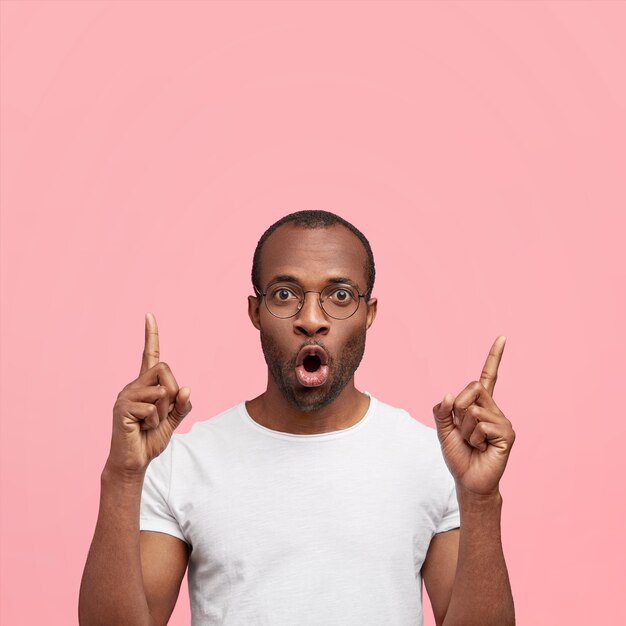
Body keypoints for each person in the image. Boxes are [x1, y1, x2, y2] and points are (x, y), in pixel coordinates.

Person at [79, 210, 515, 626]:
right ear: (255, 312)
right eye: (285, 294)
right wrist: (122, 476)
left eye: (340, 296)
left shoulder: (430, 459)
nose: (311, 319)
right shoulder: (184, 462)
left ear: (369, 314)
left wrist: (480, 500)